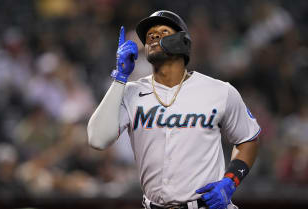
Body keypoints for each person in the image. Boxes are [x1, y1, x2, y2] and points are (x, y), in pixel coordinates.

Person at [87, 10, 261, 209]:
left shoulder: (219, 91)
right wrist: (120, 76)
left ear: (183, 41)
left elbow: (248, 138)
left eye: (163, 31)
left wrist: (231, 181)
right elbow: (97, 139)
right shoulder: (130, 92)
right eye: (150, 35)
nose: (153, 36)